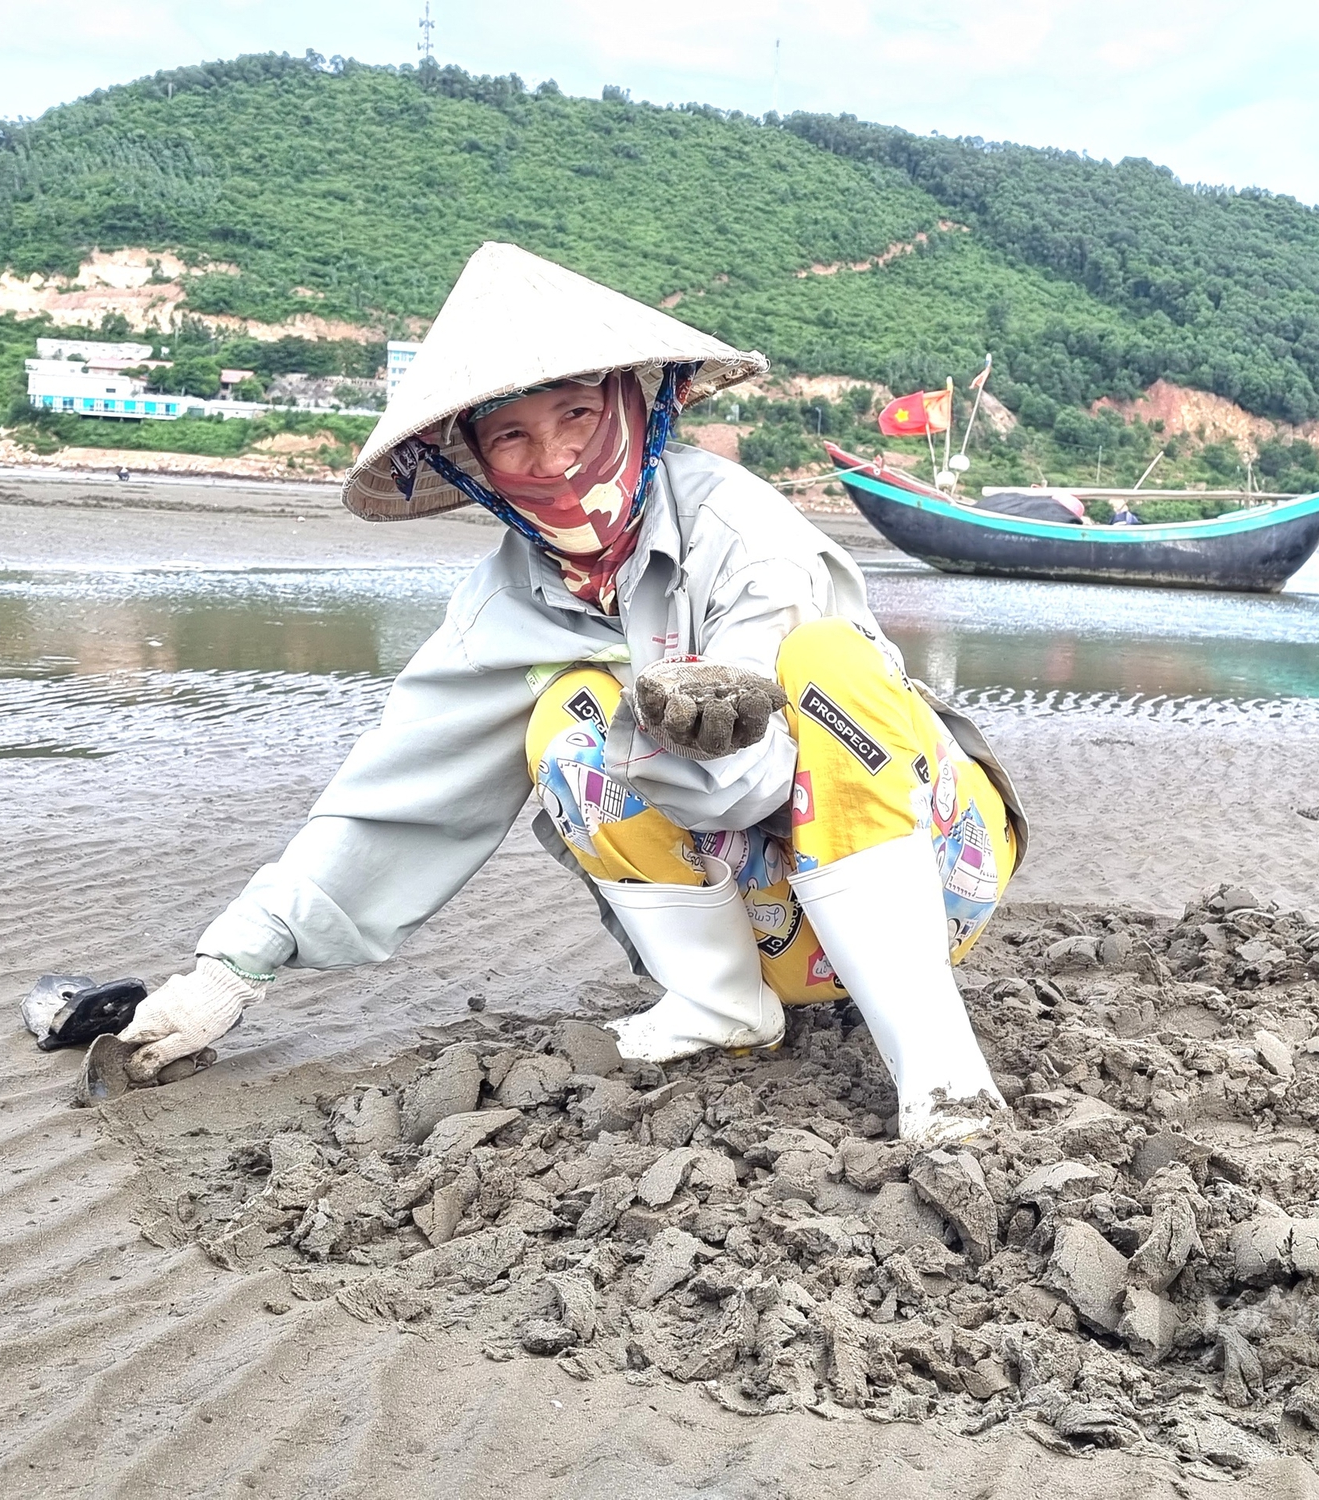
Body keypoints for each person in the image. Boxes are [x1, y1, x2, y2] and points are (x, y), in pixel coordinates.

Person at [110, 243, 1027, 1145]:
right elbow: (397, 798)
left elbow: (759, 786)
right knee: (566, 715)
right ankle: (720, 1003)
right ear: (473, 465)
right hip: (778, 933)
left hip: (935, 880)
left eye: (578, 416)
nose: (552, 459)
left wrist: (720, 719)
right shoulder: (507, 605)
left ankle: (942, 1071)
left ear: (643, 403)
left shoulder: (742, 530)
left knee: (832, 662)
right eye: (511, 435)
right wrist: (228, 970)